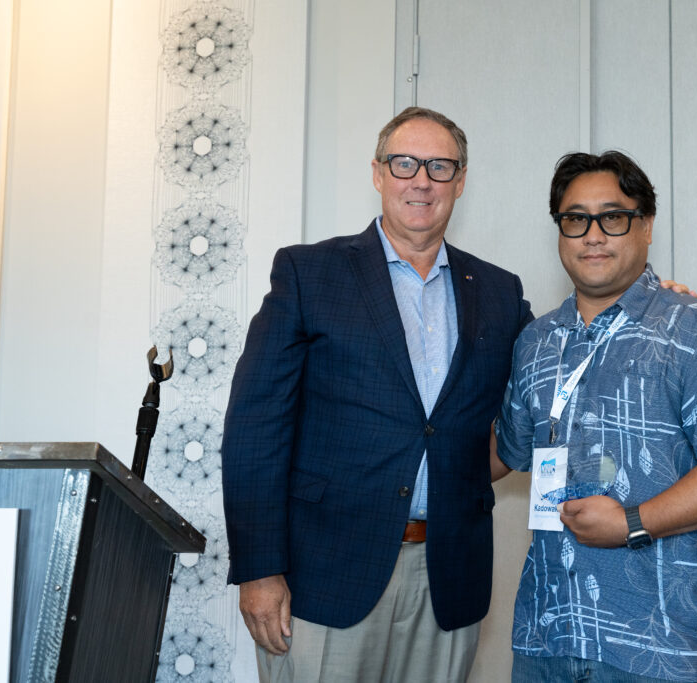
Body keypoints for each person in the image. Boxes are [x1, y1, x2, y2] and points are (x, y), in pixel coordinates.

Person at [221, 107, 532, 682]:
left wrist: (645, 299)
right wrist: (259, 570)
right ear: (378, 172)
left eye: (440, 167)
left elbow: (555, 357)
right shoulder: (308, 273)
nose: (421, 180)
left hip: (448, 578)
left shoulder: (498, 290)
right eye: (405, 163)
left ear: (460, 182)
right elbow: (254, 430)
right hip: (323, 576)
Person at [493, 151, 697, 683]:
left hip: (658, 652)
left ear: (646, 226)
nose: (593, 235)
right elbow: (501, 452)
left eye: (614, 217)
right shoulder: (536, 342)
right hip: (545, 641)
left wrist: (630, 523)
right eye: (575, 219)